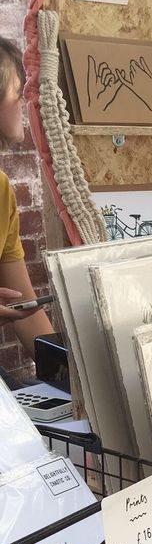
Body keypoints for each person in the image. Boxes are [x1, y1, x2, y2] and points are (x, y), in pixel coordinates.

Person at [0, 36, 53, 361]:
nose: (22, 99)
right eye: (16, 92)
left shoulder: (2, 191)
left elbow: (27, 308)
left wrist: (78, 379)